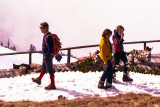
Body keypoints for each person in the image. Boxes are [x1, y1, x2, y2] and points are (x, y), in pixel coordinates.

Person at [32, 22, 56, 90]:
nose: (40, 29)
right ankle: (39, 79)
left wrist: (46, 56)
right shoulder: (46, 35)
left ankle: (52, 84)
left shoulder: (48, 37)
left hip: (47, 56)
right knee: (44, 68)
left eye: (41, 28)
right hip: (46, 55)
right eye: (40, 28)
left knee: (50, 70)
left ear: (46, 28)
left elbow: (50, 48)